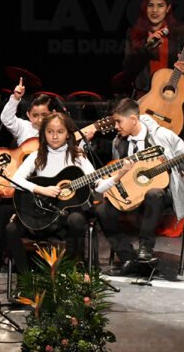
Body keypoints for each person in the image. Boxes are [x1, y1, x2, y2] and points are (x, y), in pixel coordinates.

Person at [7, 112, 126, 274]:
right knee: (11, 229)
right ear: (44, 133)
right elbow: (14, 180)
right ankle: (25, 277)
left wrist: (117, 177)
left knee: (76, 219)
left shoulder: (78, 157)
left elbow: (98, 187)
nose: (55, 136)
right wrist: (41, 189)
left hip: (65, 217)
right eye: (50, 132)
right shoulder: (37, 155)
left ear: (68, 134)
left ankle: (69, 271)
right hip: (40, 214)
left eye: (60, 132)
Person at [96, 98, 184, 276]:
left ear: (133, 119)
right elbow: (120, 173)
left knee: (154, 194)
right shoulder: (118, 142)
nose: (115, 126)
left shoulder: (163, 136)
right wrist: (112, 189)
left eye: (118, 121)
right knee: (102, 210)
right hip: (132, 194)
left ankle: (145, 251)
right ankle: (128, 259)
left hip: (165, 193)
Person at [122, 0, 184, 100]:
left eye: (160, 5)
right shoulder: (134, 33)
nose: (155, 10)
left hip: (171, 96)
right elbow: (128, 69)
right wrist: (147, 46)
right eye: (150, 5)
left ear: (168, 8)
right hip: (144, 96)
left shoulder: (181, 32)